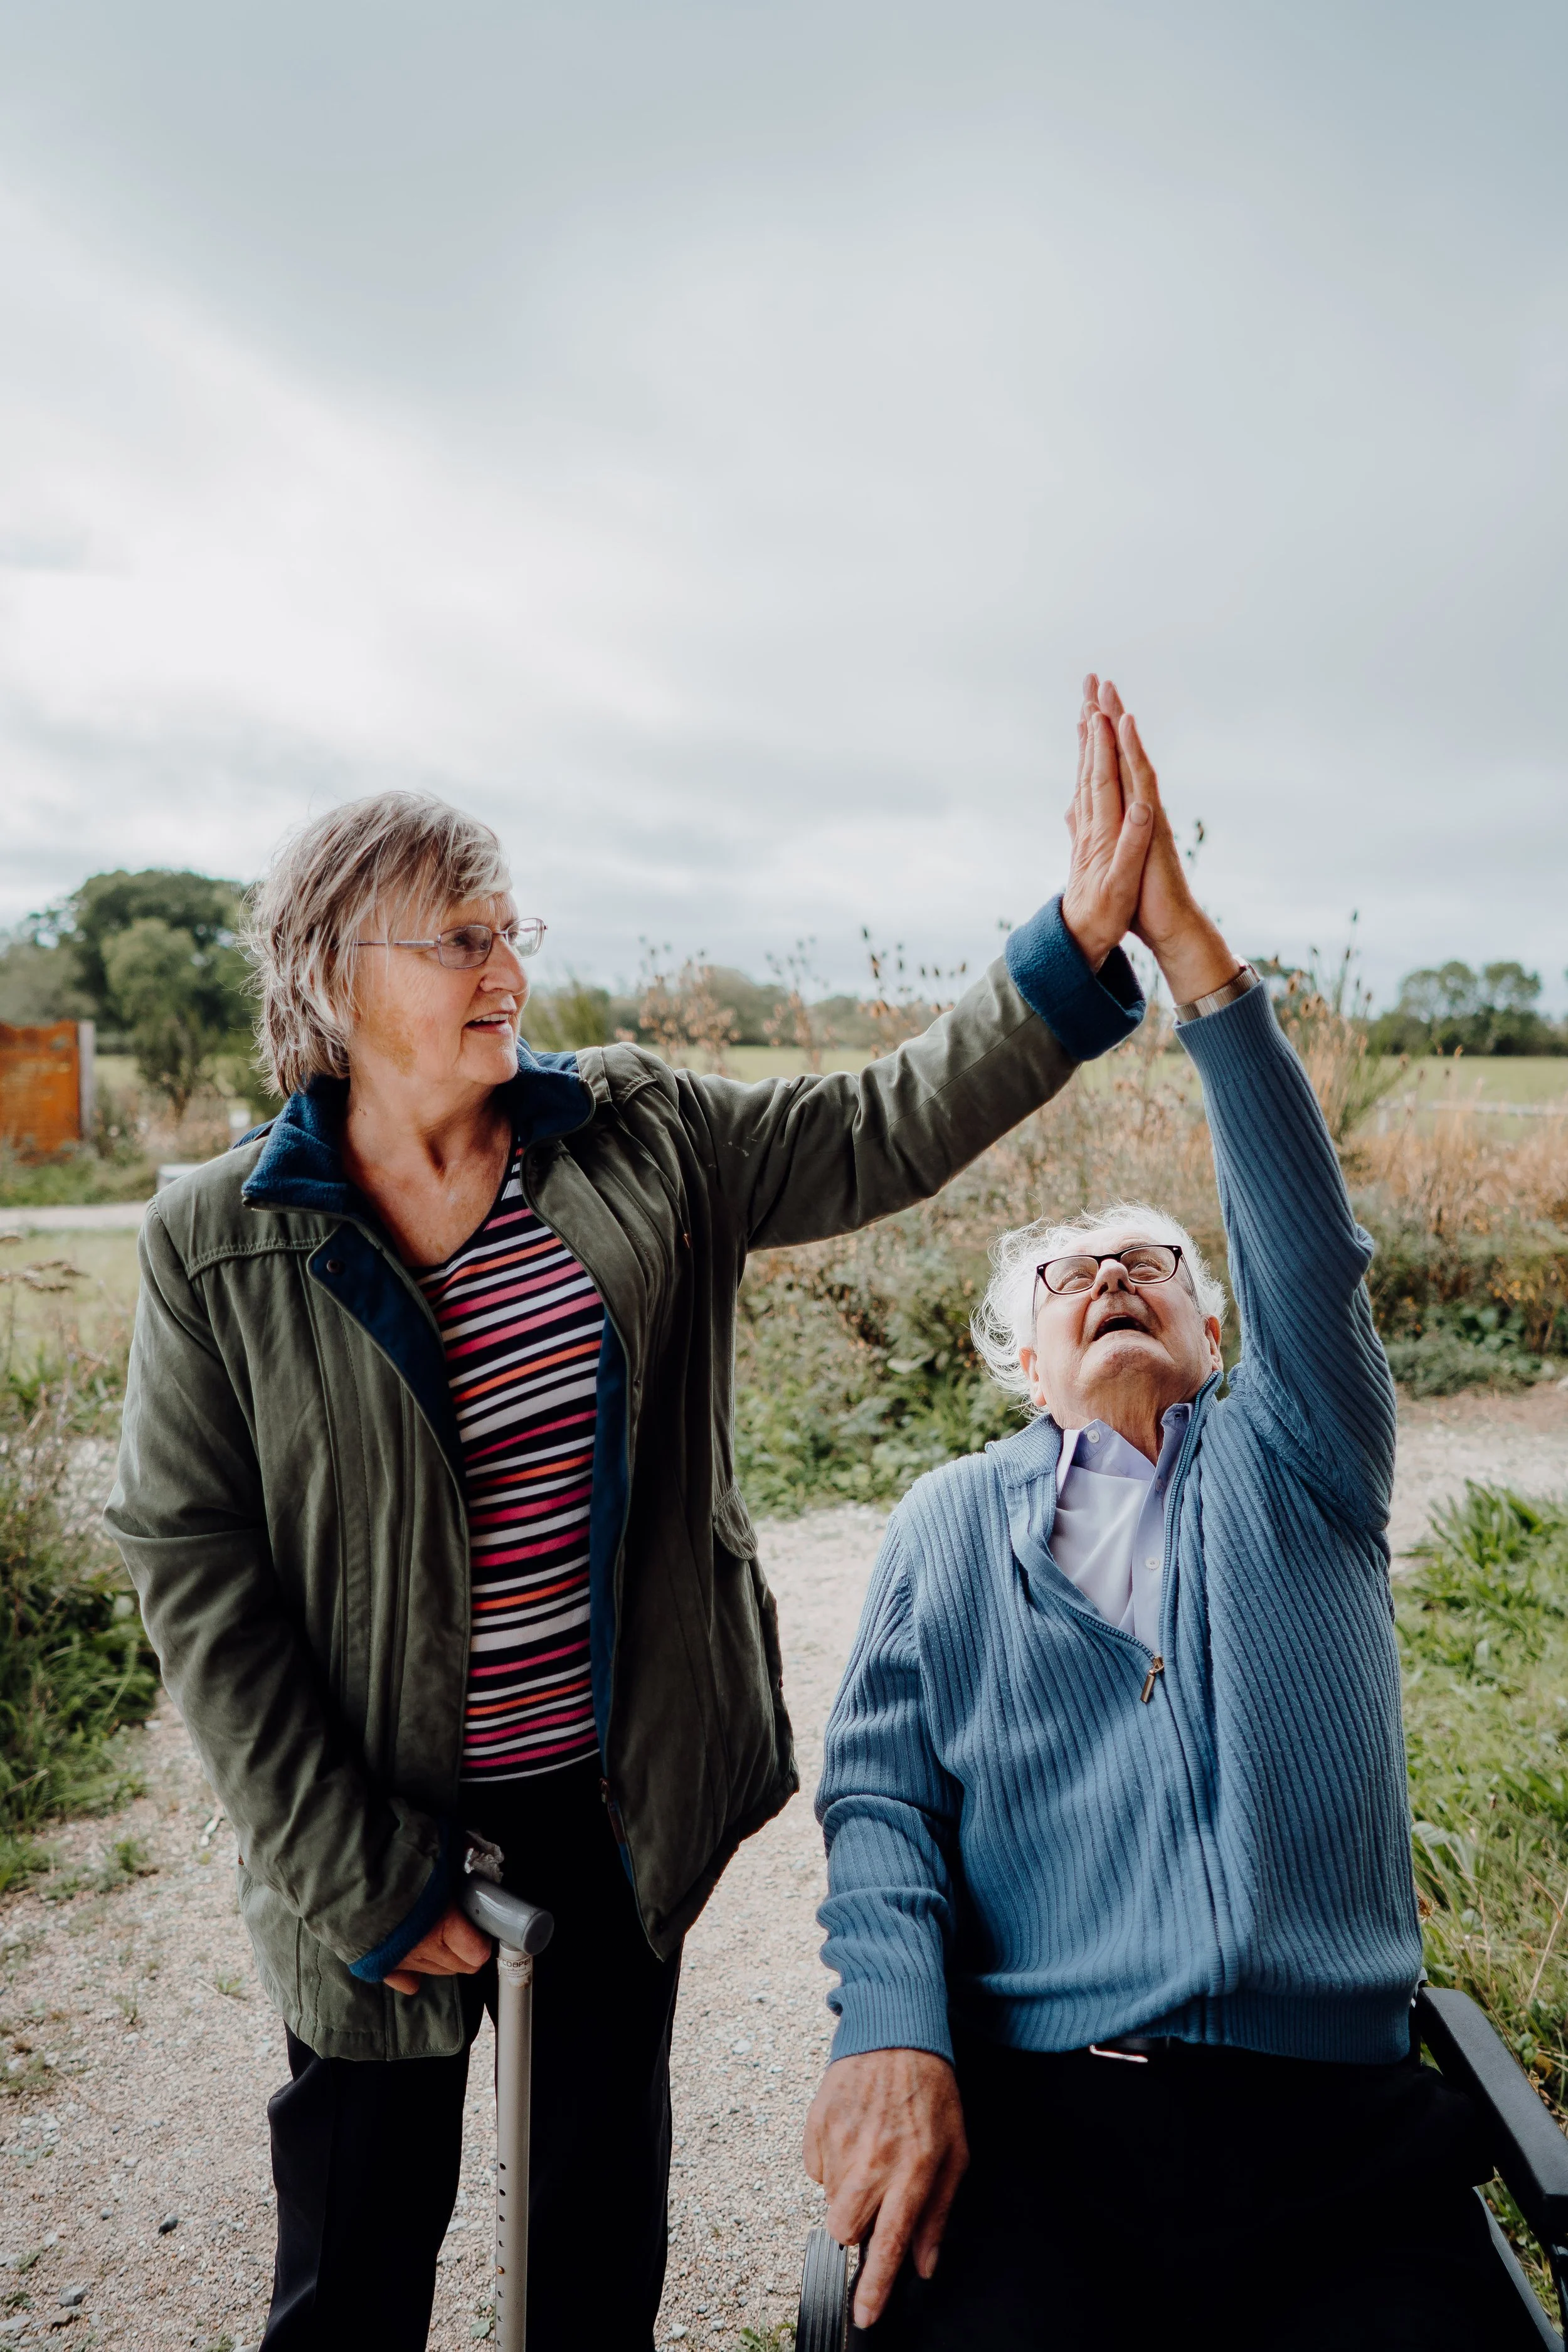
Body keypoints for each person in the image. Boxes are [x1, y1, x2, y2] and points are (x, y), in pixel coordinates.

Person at [104, 726, 1157, 2352]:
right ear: (330, 971)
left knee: (593, 2244)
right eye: (460, 933)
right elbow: (197, 1569)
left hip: (607, 1810)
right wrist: (353, 1871)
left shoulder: (637, 1133)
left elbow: (876, 1124)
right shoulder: (216, 1236)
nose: (506, 962)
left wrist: (1069, 948)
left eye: (512, 925)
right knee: (354, 2259)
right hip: (368, 1823)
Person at [803, 678, 1520, 2350]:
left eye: (1159, 1264)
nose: (1117, 1274)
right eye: (1070, 1272)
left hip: (1331, 2125)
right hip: (1046, 2127)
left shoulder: (1300, 1458)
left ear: (1213, 1330)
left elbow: (1304, 1242)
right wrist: (894, 2029)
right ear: (1017, 1356)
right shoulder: (942, 1525)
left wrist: (1188, 950)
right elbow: (880, 1806)